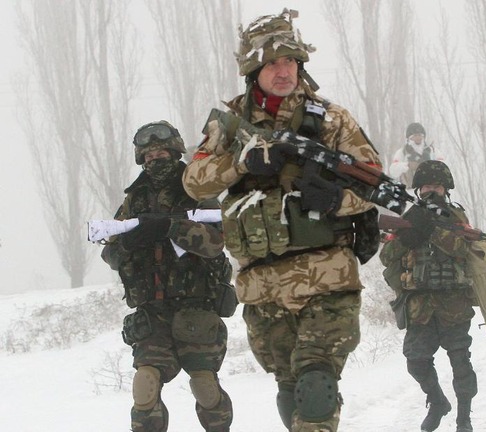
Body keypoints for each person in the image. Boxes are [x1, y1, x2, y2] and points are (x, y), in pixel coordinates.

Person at [182, 9, 382, 432]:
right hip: (262, 286)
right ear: (253, 69)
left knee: (315, 384)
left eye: (290, 61)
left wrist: (334, 200)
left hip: (325, 276)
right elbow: (194, 182)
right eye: (272, 62)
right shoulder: (228, 124)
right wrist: (238, 163)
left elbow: (372, 184)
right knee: (290, 387)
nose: (283, 70)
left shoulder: (330, 119)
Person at [101, 121, 235, 432]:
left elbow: (216, 243)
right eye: (148, 156)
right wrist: (130, 241)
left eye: (161, 152)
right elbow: (110, 254)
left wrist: (171, 227)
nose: (155, 160)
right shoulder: (133, 201)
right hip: (153, 312)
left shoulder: (196, 192)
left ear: (174, 151)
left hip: (196, 309)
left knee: (204, 386)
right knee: (145, 385)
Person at [379, 160, 477, 432]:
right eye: (425, 187)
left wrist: (432, 229)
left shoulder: (456, 217)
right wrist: (407, 234)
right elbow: (386, 257)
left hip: (453, 302)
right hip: (420, 304)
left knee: (460, 363)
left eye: (435, 186)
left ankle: (464, 419)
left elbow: (462, 249)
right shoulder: (407, 217)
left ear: (446, 189)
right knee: (416, 361)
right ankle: (437, 401)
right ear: (418, 190)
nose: (430, 191)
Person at [389, 122, 442, 188]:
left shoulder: (433, 151)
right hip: (409, 192)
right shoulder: (402, 152)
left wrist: (430, 167)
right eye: (415, 136)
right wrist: (407, 165)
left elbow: (443, 167)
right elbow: (393, 170)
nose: (418, 137)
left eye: (420, 135)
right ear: (409, 138)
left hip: (431, 191)